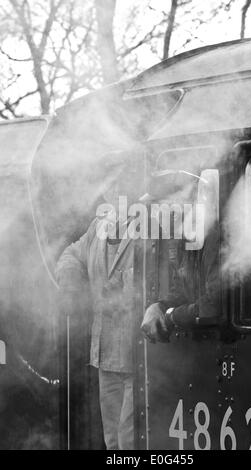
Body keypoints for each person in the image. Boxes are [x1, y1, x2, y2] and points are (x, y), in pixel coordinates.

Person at [56, 157, 141, 450]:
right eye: (110, 186)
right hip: (106, 354)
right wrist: (69, 282)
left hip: (138, 355)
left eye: (121, 184)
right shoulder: (98, 227)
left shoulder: (151, 226)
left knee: (131, 440)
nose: (115, 191)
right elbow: (71, 254)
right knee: (113, 441)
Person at [141, 169, 220, 343]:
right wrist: (160, 307)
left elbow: (214, 305)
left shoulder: (215, 239)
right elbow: (182, 291)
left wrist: (171, 317)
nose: (155, 215)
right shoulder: (185, 241)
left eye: (159, 206)